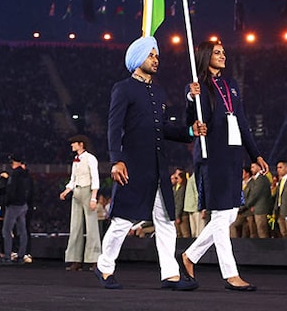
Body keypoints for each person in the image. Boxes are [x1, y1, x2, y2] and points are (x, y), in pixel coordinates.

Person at [93, 36, 203, 291]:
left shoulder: (159, 91)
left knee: (165, 221)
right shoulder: (123, 88)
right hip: (132, 165)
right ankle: (104, 266)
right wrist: (116, 160)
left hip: (157, 166)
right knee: (122, 220)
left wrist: (189, 132)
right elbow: (114, 126)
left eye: (157, 55)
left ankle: (170, 274)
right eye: (151, 55)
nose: (156, 59)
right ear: (137, 59)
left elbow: (162, 128)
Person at [182, 39, 269, 292]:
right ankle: (230, 274)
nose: (223, 56)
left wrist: (255, 155)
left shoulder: (231, 85)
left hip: (233, 155)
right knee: (221, 215)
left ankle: (190, 256)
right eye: (217, 52)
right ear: (206, 55)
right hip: (211, 155)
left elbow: (241, 121)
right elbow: (192, 120)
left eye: (223, 52)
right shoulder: (197, 87)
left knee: (229, 214)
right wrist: (190, 98)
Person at [60, 134, 101, 270]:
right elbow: (73, 178)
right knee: (75, 226)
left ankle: (94, 259)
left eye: (74, 143)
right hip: (77, 192)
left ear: (81, 144)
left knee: (91, 227)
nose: (72, 145)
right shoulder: (76, 160)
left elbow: (95, 179)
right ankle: (75, 259)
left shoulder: (90, 159)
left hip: (87, 191)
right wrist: (66, 191)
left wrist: (94, 197)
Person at [0, 154, 31, 265]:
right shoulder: (26, 175)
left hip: (14, 205)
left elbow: (11, 190)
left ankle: (7, 257)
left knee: (6, 230)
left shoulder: (15, 175)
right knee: (22, 231)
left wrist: (7, 202)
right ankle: (21, 256)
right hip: (24, 205)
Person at [244, 162, 273, 238]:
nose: (251, 169)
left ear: (259, 167)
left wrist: (246, 206)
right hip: (257, 209)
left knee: (262, 232)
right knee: (257, 232)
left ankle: (265, 249)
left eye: (253, 167)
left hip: (261, 210)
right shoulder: (256, 179)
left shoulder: (261, 179)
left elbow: (255, 194)